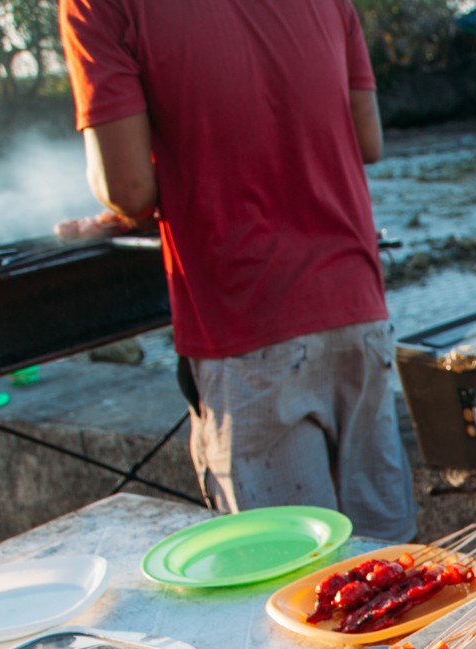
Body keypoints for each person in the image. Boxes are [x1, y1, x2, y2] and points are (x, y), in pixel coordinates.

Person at [57, 0, 418, 542]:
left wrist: (129, 195)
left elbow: (127, 188)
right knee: (394, 569)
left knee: (287, 577)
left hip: (245, 318)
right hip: (355, 307)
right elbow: (368, 141)